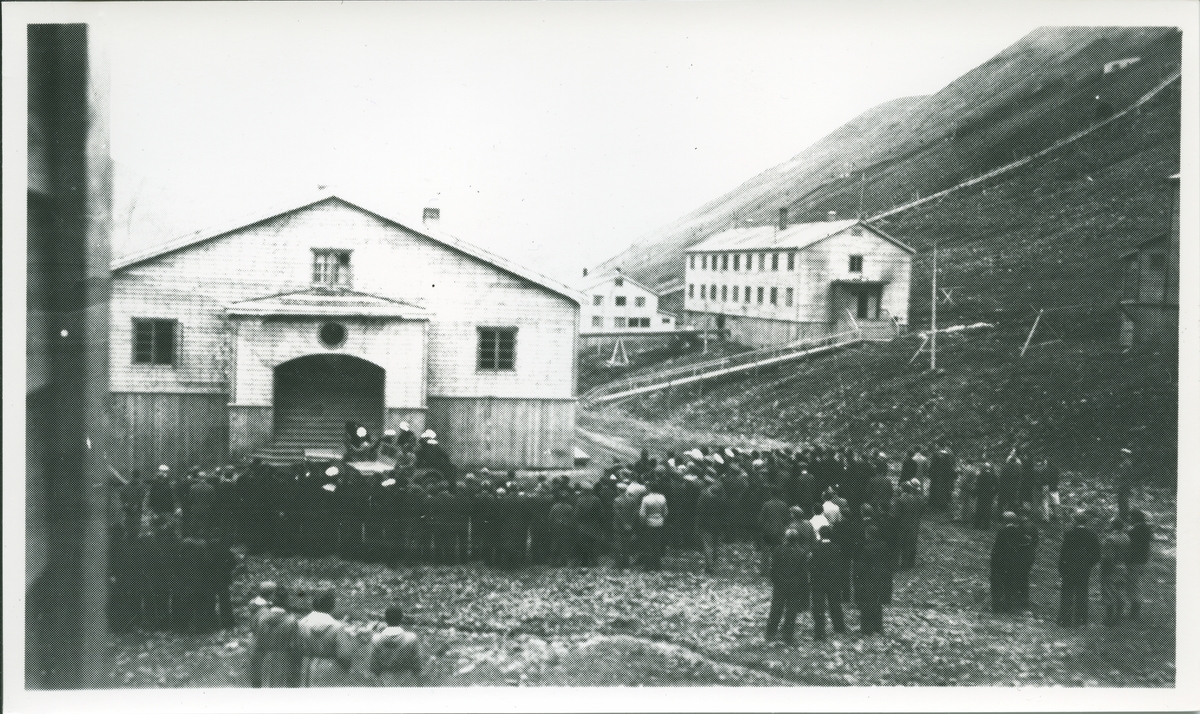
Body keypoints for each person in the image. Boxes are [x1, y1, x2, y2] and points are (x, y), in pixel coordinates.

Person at [297, 589, 353, 686]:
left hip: (308, 664)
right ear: (331, 606)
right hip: (330, 667)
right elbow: (344, 656)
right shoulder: (337, 627)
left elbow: (297, 647)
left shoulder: (302, 623)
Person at [249, 584, 300, 688]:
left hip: (266, 658)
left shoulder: (262, 619)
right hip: (284, 659)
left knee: (267, 686)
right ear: (286, 601)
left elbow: (258, 645)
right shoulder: (291, 621)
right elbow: (294, 647)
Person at [764, 529, 809, 645]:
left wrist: (775, 581)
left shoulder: (778, 550)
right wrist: (802, 586)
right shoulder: (801, 552)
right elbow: (803, 573)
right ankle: (788, 636)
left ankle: (770, 633)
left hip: (780, 583)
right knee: (791, 611)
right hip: (794, 585)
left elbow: (773, 568)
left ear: (786, 537)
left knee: (775, 609)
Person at [1056, 512, 1101, 627]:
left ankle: (1065, 620)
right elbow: (1097, 554)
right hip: (1084, 568)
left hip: (1069, 567)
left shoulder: (1069, 534)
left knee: (1067, 593)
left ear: (1075, 522)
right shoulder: (1092, 535)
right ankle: (1081, 620)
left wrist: (1061, 567)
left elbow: (1064, 553)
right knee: (1082, 592)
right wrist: (1089, 563)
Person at [809, 525, 845, 641]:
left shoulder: (815, 548)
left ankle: (819, 632)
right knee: (835, 604)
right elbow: (840, 565)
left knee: (818, 607)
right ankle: (839, 627)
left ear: (820, 534)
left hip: (818, 581)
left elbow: (811, 565)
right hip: (833, 580)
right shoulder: (837, 548)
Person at [369, 606, 422, 686]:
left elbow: (374, 667)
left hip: (385, 683)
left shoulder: (376, 639)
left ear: (386, 619)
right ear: (401, 619)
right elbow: (417, 667)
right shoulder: (412, 638)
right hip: (407, 683)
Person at [855, 524, 892, 635]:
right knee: (878, 603)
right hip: (881, 577)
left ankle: (867, 628)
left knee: (867, 604)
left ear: (869, 535)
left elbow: (862, 566)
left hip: (869, 579)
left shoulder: (866, 549)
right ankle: (878, 626)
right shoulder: (884, 545)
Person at [989, 512, 1024, 613]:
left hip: (1000, 563)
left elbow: (997, 549)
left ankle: (996, 607)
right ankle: (1008, 606)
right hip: (1013, 563)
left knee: (997, 585)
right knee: (1009, 585)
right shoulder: (1019, 532)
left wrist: (994, 561)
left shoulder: (1002, 532)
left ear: (1005, 521)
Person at [1100, 518, 1131, 626]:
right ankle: (1118, 618)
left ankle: (1109, 619)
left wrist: (1105, 569)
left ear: (1113, 526)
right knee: (1120, 592)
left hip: (1112, 568)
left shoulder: (1110, 539)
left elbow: (1108, 557)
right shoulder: (1126, 537)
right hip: (1123, 566)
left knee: (1109, 593)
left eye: (1110, 524)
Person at [1126, 510, 1152, 620]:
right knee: (1137, 584)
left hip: (1134, 561)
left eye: (1131, 517)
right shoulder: (1147, 528)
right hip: (1143, 560)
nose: (1129, 519)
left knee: (1134, 586)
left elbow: (1131, 546)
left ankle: (1134, 613)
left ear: (1135, 518)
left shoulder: (1133, 530)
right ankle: (1134, 611)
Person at [893, 479, 924, 570]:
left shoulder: (901, 499)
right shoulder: (921, 499)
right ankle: (908, 564)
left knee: (898, 545)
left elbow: (896, 515)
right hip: (914, 524)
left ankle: (895, 565)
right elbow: (921, 513)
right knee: (911, 544)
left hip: (902, 525)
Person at [757, 490, 790, 576]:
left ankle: (764, 571)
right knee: (779, 551)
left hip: (768, 531)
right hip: (779, 531)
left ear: (770, 494)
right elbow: (787, 519)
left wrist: (762, 527)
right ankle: (779, 570)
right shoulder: (784, 505)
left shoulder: (766, 504)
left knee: (765, 552)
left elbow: (761, 519)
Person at [1013, 507, 1040, 611]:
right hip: (1030, 554)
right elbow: (1036, 541)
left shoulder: (1023, 527)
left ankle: (1021, 601)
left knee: (1020, 577)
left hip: (1022, 555)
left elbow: (1020, 542)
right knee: (1023, 577)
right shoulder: (1032, 526)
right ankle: (1022, 600)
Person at [639, 482, 669, 571]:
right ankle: (657, 565)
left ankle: (648, 565)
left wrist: (643, 523)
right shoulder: (662, 498)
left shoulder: (646, 499)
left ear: (650, 489)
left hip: (649, 523)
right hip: (659, 522)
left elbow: (642, 514)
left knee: (648, 545)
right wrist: (662, 519)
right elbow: (666, 512)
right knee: (657, 544)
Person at [973, 459, 997, 530]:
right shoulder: (994, 475)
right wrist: (993, 493)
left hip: (981, 494)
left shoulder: (980, 475)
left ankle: (977, 524)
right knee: (988, 510)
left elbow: (977, 486)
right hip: (989, 495)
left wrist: (975, 494)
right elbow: (997, 486)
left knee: (979, 509)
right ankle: (986, 526)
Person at [1115, 448, 1136, 523]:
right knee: (1121, 500)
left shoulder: (1127, 463)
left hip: (1124, 484)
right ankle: (1123, 516)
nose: (1121, 455)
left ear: (1125, 455)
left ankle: (1124, 517)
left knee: (1123, 501)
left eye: (1122, 454)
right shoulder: (1125, 462)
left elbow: (1124, 474)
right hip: (1123, 484)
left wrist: (1118, 476)